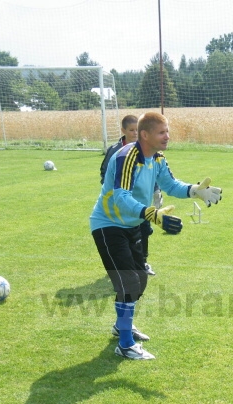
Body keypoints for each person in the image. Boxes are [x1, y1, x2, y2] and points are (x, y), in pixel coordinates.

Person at [90, 111, 222, 360]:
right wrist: (152, 214)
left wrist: (196, 191)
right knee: (128, 282)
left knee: (140, 280)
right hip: (108, 224)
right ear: (145, 135)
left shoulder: (158, 158)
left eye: (167, 131)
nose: (167, 136)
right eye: (162, 132)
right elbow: (121, 196)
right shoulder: (127, 156)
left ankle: (122, 327)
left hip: (134, 223)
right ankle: (125, 344)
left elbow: (171, 185)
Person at [100, 114, 162, 277]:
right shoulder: (114, 150)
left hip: (141, 202)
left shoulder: (148, 149)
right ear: (123, 130)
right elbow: (104, 172)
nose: (135, 133)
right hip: (121, 203)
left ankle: (143, 262)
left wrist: (156, 190)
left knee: (144, 230)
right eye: (131, 130)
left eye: (138, 130)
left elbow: (153, 171)